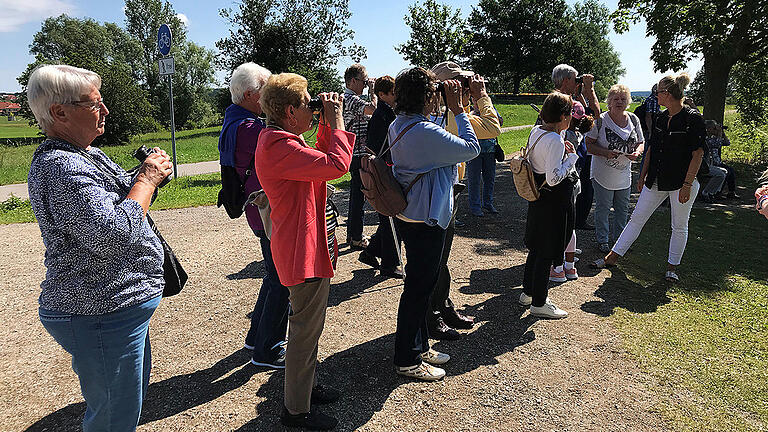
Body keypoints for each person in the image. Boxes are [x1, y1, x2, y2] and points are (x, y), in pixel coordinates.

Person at [27, 64, 172, 431]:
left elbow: (118, 193)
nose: (105, 111)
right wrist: (146, 180)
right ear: (59, 112)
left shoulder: (84, 153)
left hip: (113, 308)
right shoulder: (61, 166)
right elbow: (111, 234)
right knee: (113, 418)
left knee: (125, 404)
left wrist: (145, 175)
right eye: (94, 104)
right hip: (99, 312)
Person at [255, 73, 354, 430]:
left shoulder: (282, 138)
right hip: (300, 251)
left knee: (309, 328)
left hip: (305, 245)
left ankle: (307, 387)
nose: (313, 109)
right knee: (303, 332)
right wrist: (338, 119)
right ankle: (296, 410)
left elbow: (321, 163)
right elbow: (337, 165)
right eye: (308, 104)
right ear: (289, 111)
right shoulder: (279, 146)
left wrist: (326, 123)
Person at [389, 67, 480, 379]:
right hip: (424, 219)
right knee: (418, 289)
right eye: (432, 93)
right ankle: (407, 359)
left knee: (419, 287)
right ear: (425, 97)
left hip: (410, 214)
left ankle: (419, 345)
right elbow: (471, 148)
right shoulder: (425, 132)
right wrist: (459, 110)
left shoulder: (401, 124)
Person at [592, 73, 705, 283]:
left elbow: (698, 154)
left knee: (679, 225)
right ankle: (612, 258)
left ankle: (672, 267)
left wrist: (688, 184)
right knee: (636, 219)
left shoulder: (692, 118)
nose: (656, 95)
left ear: (668, 94)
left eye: (659, 92)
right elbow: (651, 148)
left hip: (682, 181)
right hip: (656, 178)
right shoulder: (662, 117)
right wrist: (643, 175)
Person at [218, 62, 290, 369]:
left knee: (274, 275)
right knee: (281, 279)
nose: (271, 96)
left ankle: (256, 337)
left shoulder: (235, 121)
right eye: (266, 90)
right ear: (250, 95)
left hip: (257, 211)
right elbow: (287, 143)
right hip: (266, 213)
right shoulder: (250, 130)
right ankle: (268, 349)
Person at [427, 61, 500, 340]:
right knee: (436, 257)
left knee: (441, 256)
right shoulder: (449, 118)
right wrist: (482, 96)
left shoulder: (446, 114)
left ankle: (443, 306)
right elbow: (493, 128)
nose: (469, 89)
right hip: (441, 193)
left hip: (449, 189)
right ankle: (432, 316)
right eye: (463, 84)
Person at [520, 92, 578, 319]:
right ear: (563, 116)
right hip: (553, 199)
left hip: (538, 197)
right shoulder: (554, 140)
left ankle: (528, 292)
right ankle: (539, 302)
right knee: (547, 250)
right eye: (570, 113)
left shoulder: (538, 131)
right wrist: (570, 160)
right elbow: (554, 177)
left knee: (536, 247)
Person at [585, 84, 644, 253]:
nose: (619, 102)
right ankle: (602, 240)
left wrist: (637, 153)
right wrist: (605, 152)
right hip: (602, 174)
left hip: (624, 175)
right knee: (603, 208)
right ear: (609, 101)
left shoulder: (633, 119)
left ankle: (619, 241)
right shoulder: (601, 120)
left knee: (623, 209)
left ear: (628, 101)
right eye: (615, 99)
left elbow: (641, 142)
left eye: (623, 99)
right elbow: (589, 145)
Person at [357, 75, 404, 279]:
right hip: (384, 171)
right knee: (392, 217)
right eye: (393, 92)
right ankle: (390, 264)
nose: (396, 96)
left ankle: (371, 251)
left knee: (390, 217)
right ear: (382, 94)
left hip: (385, 169)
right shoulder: (383, 115)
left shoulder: (387, 113)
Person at [550, 63, 601, 230]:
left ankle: (568, 228)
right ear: (566, 81)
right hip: (566, 152)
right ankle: (566, 233)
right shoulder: (563, 102)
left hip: (563, 152)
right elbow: (594, 115)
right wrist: (589, 89)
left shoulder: (554, 100)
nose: (576, 82)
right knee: (567, 191)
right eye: (574, 79)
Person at [550, 101, 595, 282]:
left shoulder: (564, 135)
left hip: (564, 182)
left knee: (559, 225)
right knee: (570, 225)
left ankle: (558, 267)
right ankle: (570, 267)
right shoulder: (579, 133)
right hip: (574, 181)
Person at [343, 63, 377, 250]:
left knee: (357, 195)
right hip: (357, 153)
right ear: (353, 80)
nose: (365, 85)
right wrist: (373, 91)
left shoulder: (348, 99)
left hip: (354, 152)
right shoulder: (351, 99)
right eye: (364, 82)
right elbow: (373, 109)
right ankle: (356, 237)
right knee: (359, 196)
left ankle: (353, 234)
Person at [465, 101, 503, 216]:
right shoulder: (470, 114)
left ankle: (488, 203)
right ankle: (475, 207)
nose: (477, 104)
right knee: (474, 180)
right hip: (474, 152)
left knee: (489, 179)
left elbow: (500, 122)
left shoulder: (491, 110)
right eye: (475, 101)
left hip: (490, 151)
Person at [705, 120, 738, 200]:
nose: (716, 130)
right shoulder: (706, 139)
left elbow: (727, 143)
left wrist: (722, 133)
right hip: (710, 164)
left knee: (731, 171)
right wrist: (719, 133)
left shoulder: (715, 138)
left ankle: (731, 192)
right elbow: (717, 144)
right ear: (709, 129)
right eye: (714, 128)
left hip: (717, 163)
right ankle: (716, 193)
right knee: (725, 172)